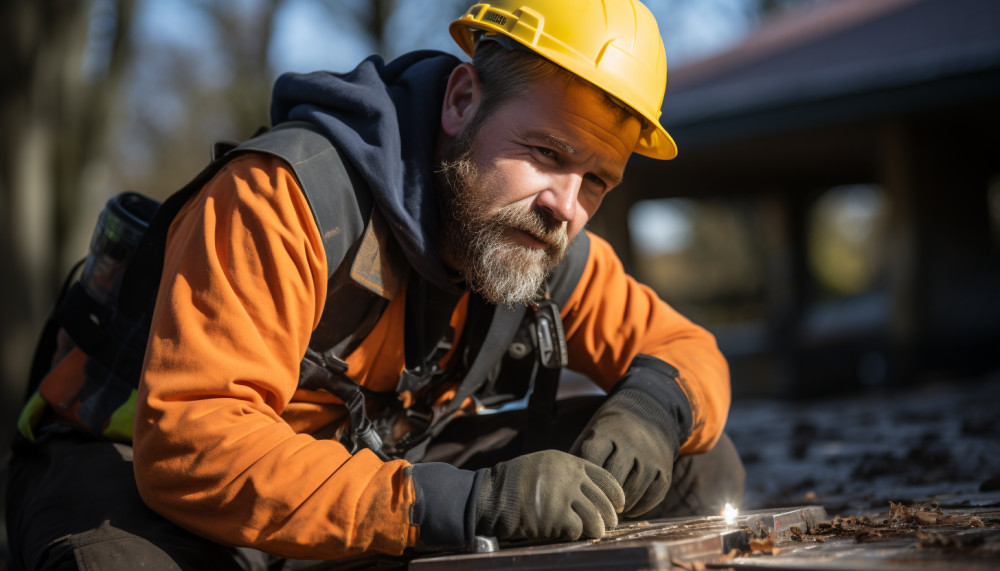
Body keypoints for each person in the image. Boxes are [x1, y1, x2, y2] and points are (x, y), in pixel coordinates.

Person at [6, 0, 744, 568]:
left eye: (596, 182)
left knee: (691, 462)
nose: (565, 205)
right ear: (461, 101)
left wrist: (651, 407)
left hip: (366, 483)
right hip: (142, 483)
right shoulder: (283, 198)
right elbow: (191, 445)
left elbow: (686, 346)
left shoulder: (538, 240)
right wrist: (467, 503)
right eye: (546, 151)